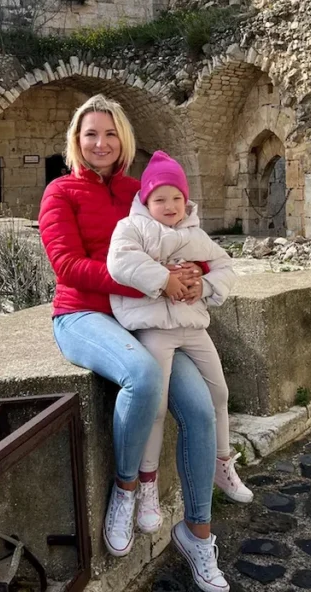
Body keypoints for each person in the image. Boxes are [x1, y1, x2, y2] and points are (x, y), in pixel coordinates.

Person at [38, 95, 230, 592]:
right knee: (143, 377)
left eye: (109, 133)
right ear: (76, 143)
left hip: (147, 319)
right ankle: (128, 487)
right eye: (90, 135)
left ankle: (198, 533)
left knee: (203, 408)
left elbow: (187, 238)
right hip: (82, 314)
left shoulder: (137, 192)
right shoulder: (60, 192)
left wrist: (194, 277)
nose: (100, 143)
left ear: (124, 139)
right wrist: (156, 282)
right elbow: (68, 266)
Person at [106, 151, 253, 539]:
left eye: (176, 198)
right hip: (155, 328)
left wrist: (203, 283)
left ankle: (223, 463)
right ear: (145, 201)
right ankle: (147, 482)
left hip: (192, 326)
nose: (169, 207)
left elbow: (226, 267)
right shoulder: (131, 228)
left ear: (185, 200)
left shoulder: (196, 235)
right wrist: (164, 279)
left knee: (219, 392)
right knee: (155, 407)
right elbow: (120, 263)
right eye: (159, 199)